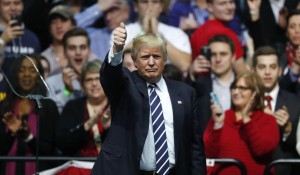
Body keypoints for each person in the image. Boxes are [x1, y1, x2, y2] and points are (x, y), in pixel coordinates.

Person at [91, 22, 206, 175]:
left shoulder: (185, 93)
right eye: (145, 57)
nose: (151, 62)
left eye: (156, 56)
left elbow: (195, 146)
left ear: (164, 60)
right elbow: (110, 76)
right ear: (135, 61)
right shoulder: (125, 85)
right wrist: (117, 50)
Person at [204, 72, 279, 175]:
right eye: (234, 88)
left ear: (255, 92)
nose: (236, 92)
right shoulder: (221, 117)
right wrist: (217, 126)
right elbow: (207, 153)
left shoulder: (267, 119)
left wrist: (246, 119)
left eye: (242, 88)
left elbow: (262, 149)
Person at [0, 55, 60, 175]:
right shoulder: (3, 107)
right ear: (16, 75)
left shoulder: (48, 107)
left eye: (32, 70)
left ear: (39, 76)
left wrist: (28, 137)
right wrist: (12, 134)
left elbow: (51, 150)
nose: (27, 74)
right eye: (22, 70)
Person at [253, 46, 300, 175]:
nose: (267, 72)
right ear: (253, 70)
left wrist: (288, 130)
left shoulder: (295, 102)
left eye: (272, 67)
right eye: (262, 67)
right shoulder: (245, 101)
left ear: (279, 71)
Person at [55, 60, 111, 157]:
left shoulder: (117, 106)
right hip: (79, 165)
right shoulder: (73, 107)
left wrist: (108, 129)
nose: (94, 83)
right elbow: (62, 144)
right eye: (89, 80)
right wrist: (88, 124)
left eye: (98, 78)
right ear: (82, 85)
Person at [124, 0, 192, 73]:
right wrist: (143, 32)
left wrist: (157, 33)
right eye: (145, 2)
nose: (150, 7)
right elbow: (116, 63)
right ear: (136, 7)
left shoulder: (177, 33)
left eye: (155, 2)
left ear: (161, 7)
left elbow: (185, 66)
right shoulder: (123, 31)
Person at [186, 34, 236, 133]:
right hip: (207, 145)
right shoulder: (199, 84)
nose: (218, 59)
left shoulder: (245, 84)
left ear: (233, 57)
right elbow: (183, 104)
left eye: (223, 54)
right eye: (213, 54)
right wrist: (191, 74)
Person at [190, 0, 247, 75]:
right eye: (222, 3)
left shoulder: (197, 33)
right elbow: (243, 74)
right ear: (210, 7)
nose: (229, 7)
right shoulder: (227, 34)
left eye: (231, 2)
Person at [46, 28, 93, 113]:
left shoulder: (100, 79)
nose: (78, 52)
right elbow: (52, 114)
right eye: (72, 48)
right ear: (64, 52)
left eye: (82, 47)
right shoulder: (51, 83)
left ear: (89, 51)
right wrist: (67, 91)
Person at [0, 0, 41, 74]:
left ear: (22, 6)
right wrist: (2, 41)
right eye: (6, 4)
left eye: (17, 3)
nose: (12, 8)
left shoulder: (32, 38)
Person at [279, 10, 300, 97]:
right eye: (292, 27)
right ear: (287, 31)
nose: (297, 31)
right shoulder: (280, 55)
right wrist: (295, 67)